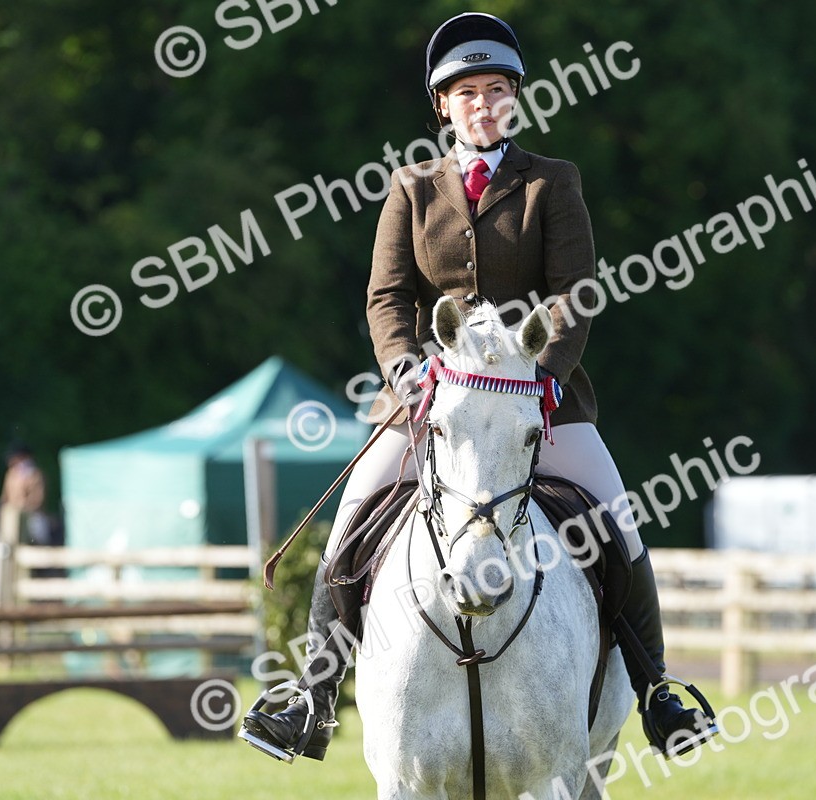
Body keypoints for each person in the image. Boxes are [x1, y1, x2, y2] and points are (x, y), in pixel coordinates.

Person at [243, 12, 712, 762]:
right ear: (444, 107)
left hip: (539, 402)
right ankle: (312, 696)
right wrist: (403, 369)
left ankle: (659, 693)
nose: (483, 103)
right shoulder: (411, 187)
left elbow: (575, 293)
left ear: (516, 99)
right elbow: (387, 298)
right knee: (348, 531)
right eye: (467, 93)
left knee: (620, 528)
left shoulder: (552, 182)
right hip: (431, 398)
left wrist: (545, 378)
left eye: (497, 89)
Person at [0, 441, 53, 546]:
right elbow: (5, 495)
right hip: (12, 514)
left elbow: (38, 500)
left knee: (39, 530)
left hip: (33, 515)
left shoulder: (36, 475)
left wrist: (21, 506)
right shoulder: (11, 474)